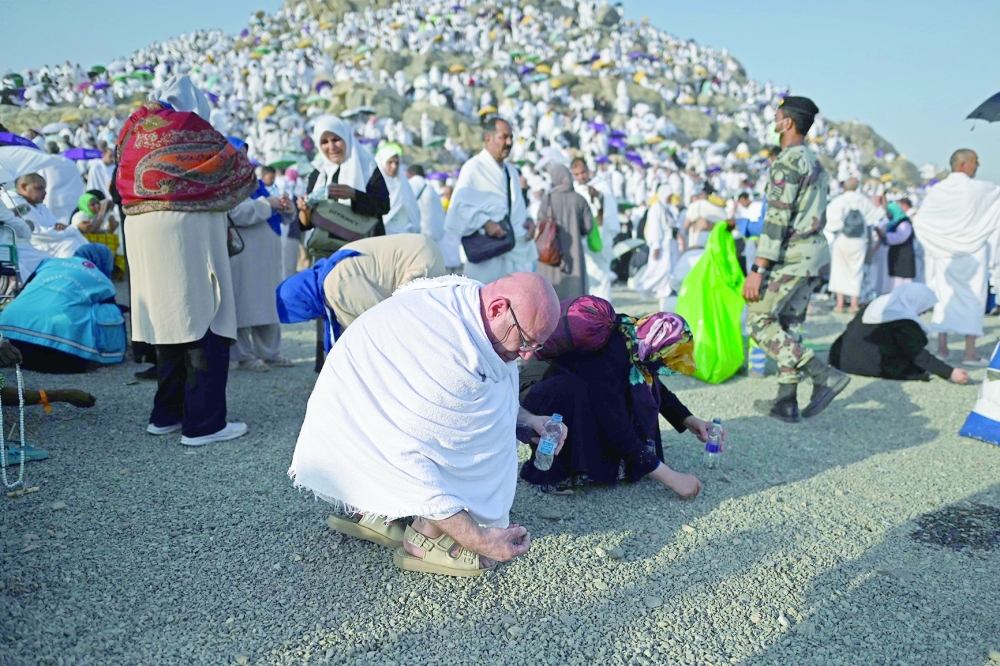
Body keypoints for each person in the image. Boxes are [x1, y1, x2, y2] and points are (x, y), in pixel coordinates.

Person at [288, 273, 563, 577]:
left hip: (382, 396)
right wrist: (480, 539)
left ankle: (387, 510)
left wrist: (529, 422)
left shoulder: (475, 310)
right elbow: (407, 453)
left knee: (478, 436)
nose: (526, 355)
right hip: (353, 414)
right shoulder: (444, 352)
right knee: (460, 449)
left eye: (535, 346)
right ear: (497, 308)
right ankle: (421, 535)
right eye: (525, 340)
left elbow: (496, 399)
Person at [118, 76, 257, 447]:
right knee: (204, 314)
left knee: (168, 320)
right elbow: (240, 172)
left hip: (142, 229)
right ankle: (204, 423)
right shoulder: (195, 129)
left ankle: (166, 413)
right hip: (187, 229)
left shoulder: (136, 131)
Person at [520, 311, 716, 498]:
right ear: (654, 352)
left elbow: (654, 386)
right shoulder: (609, 355)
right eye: (665, 363)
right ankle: (554, 473)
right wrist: (672, 478)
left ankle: (611, 461)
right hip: (541, 392)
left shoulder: (641, 338)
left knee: (634, 392)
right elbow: (615, 426)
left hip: (584, 383)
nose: (665, 370)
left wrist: (690, 420)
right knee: (576, 393)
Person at [743, 96, 850, 422]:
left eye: (777, 116)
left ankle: (823, 374)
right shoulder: (813, 161)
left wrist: (759, 267)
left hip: (793, 253)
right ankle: (786, 402)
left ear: (787, 121)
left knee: (759, 321)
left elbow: (777, 219)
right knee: (787, 324)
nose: (774, 121)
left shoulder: (787, 161)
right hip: (814, 252)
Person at [277, 233, 446, 354]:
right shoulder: (328, 271)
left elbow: (380, 318)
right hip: (421, 247)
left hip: (419, 263)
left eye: (303, 314)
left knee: (410, 331)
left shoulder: (336, 286)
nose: (310, 319)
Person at [911, 149, 1000, 366]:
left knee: (944, 296)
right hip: (973, 252)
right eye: (975, 162)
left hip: (944, 253)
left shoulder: (937, 190)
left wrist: (939, 242)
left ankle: (943, 348)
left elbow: (921, 221)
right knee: (973, 299)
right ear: (962, 165)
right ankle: (969, 352)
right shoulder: (980, 189)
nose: (977, 166)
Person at [0, 244, 124, 373]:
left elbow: (25, 289)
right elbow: (110, 310)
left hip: (9, 329)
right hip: (59, 345)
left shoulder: (50, 263)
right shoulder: (100, 278)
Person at [226, 136, 294, 372]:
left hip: (265, 253)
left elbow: (275, 212)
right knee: (243, 304)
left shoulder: (254, 183)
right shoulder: (225, 183)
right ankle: (244, 356)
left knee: (268, 302)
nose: (242, 160)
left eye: (245, 154)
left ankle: (270, 353)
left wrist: (285, 207)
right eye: (237, 155)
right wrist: (268, 204)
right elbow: (234, 212)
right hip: (244, 253)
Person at [444, 117, 536, 283]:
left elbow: (517, 207)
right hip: (488, 250)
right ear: (488, 138)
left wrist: (528, 220)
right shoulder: (474, 167)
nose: (509, 142)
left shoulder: (512, 171)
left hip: (515, 251)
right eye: (503, 137)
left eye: (511, 137)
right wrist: (486, 223)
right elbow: (458, 208)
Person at [830, 283, 969, 384]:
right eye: (925, 306)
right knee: (913, 365)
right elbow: (918, 355)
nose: (924, 312)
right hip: (868, 364)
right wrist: (950, 372)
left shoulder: (881, 303)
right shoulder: (904, 321)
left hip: (840, 358)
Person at [297, 115, 390, 244]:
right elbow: (306, 225)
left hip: (364, 248)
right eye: (324, 142)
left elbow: (383, 206)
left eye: (336, 139)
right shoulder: (319, 173)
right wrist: (304, 209)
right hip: (327, 250)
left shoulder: (367, 168)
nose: (332, 147)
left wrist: (354, 195)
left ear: (346, 138)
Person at [824, 177, 885, 313]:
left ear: (844, 187)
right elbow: (877, 215)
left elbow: (829, 221)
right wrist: (883, 198)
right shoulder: (862, 200)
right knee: (856, 271)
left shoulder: (839, 201)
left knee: (839, 271)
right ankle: (854, 304)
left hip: (842, 238)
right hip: (859, 241)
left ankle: (839, 304)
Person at [535, 163, 592, 301]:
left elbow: (540, 223)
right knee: (574, 295)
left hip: (550, 255)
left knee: (551, 293)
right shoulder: (579, 199)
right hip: (574, 255)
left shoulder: (547, 199)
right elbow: (588, 227)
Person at [570, 157, 619, 302]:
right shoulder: (573, 189)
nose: (581, 177)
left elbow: (609, 208)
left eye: (583, 172)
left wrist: (598, 196)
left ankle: (604, 311)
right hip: (582, 240)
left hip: (600, 237)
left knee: (602, 275)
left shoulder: (600, 185)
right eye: (577, 174)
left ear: (588, 170)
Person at [14, 173, 88, 258]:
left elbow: (57, 226)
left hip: (49, 243)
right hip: (31, 247)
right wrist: (75, 228)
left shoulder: (39, 205)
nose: (45, 192)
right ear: (24, 187)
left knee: (79, 240)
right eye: (39, 188)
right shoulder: (15, 203)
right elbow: (39, 235)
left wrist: (62, 228)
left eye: (44, 189)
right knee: (69, 244)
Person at [633, 184, 680, 309]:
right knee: (657, 270)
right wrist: (656, 246)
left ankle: (664, 293)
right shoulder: (656, 208)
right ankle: (642, 287)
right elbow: (655, 228)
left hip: (668, 245)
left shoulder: (666, 207)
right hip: (660, 245)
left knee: (667, 270)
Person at [374, 145, 420, 235]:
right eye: (390, 162)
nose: (394, 166)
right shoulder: (375, 186)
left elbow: (413, 212)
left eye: (397, 163)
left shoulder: (403, 185)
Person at [874, 200, 916, 289]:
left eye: (889, 212)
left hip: (903, 257)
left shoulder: (904, 222)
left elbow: (901, 236)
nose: (888, 215)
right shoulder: (893, 223)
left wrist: (885, 235)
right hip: (896, 257)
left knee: (903, 283)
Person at [406, 164, 446, 243]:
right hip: (437, 234)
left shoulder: (414, 183)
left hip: (423, 235)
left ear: (409, 174)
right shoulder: (430, 186)